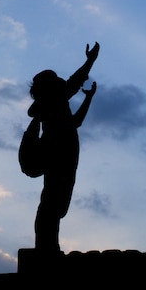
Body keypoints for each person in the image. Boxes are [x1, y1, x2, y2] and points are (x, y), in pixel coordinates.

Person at [22, 42, 99, 254]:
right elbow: (74, 82)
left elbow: (76, 121)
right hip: (60, 153)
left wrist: (88, 98)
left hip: (65, 153)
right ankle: (47, 249)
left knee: (54, 205)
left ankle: (48, 248)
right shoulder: (52, 102)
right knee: (51, 206)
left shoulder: (54, 105)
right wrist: (90, 61)